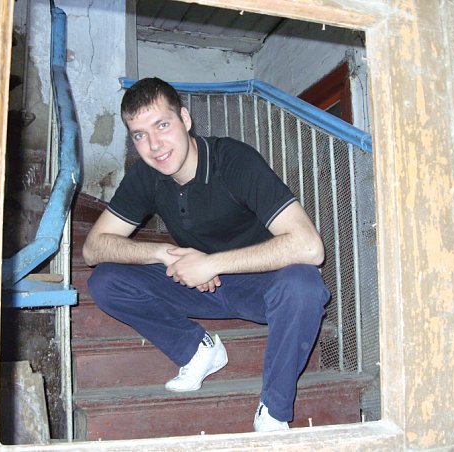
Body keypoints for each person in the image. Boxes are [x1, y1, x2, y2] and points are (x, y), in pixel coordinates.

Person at [82, 77, 330, 432]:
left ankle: (273, 413)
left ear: (185, 119)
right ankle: (197, 349)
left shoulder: (233, 161)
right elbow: (93, 248)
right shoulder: (147, 176)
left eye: (162, 125)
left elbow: (309, 246)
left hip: (261, 288)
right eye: (139, 135)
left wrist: (211, 263)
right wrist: (164, 254)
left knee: (304, 284)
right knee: (106, 280)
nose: (154, 145)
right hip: (200, 287)